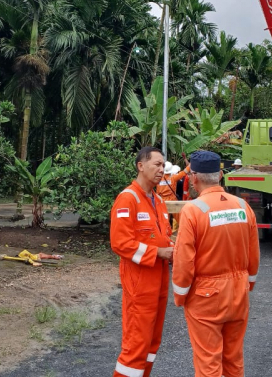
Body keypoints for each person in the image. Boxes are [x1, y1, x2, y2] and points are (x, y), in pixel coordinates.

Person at [172, 150, 260, 377]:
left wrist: (180, 296)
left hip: (206, 297)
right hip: (239, 293)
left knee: (208, 362)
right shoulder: (242, 206)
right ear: (220, 175)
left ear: (193, 177)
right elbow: (254, 252)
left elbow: (184, 260)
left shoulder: (193, 210)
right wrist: (248, 284)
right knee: (233, 359)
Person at [110, 146, 173, 377]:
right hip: (140, 284)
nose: (162, 169)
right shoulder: (128, 199)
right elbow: (120, 243)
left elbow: (162, 237)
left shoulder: (158, 200)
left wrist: (173, 249)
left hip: (159, 281)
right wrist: (159, 253)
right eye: (157, 164)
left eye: (163, 165)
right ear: (140, 166)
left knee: (151, 344)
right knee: (136, 345)